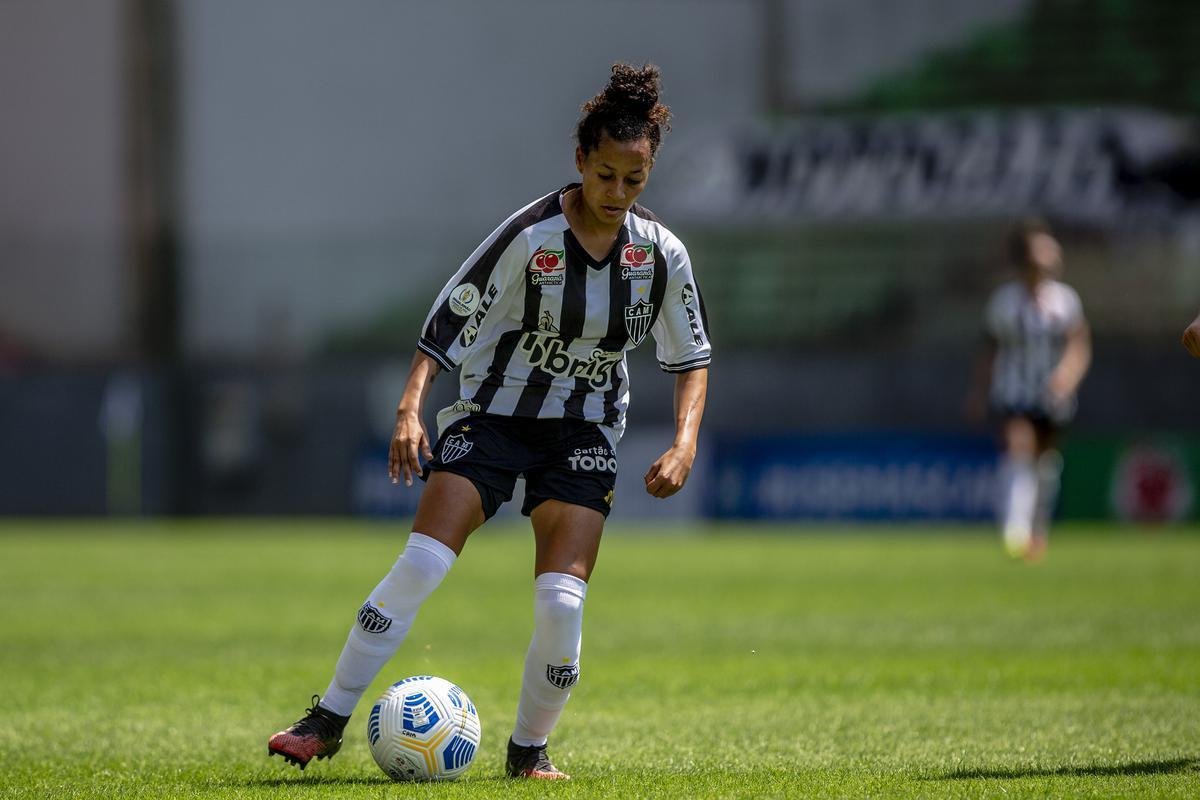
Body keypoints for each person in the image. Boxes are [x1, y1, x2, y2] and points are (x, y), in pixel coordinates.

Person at [267, 63, 711, 779]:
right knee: (421, 563)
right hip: (493, 418)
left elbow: (691, 356)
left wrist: (685, 442)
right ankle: (327, 719)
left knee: (563, 606)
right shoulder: (528, 238)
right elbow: (445, 323)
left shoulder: (661, 255)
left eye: (634, 181)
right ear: (580, 161)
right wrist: (411, 408)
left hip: (585, 432)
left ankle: (528, 751)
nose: (618, 194)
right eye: (605, 176)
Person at [967, 219, 1090, 562]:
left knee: (1046, 463)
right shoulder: (1004, 302)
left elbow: (1079, 346)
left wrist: (1067, 376)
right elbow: (989, 349)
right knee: (1018, 450)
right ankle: (1014, 531)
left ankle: (1037, 531)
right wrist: (979, 392)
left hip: (1053, 395)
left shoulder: (1065, 301)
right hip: (1013, 392)